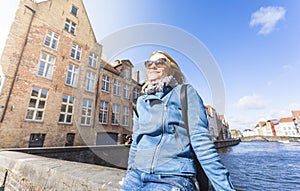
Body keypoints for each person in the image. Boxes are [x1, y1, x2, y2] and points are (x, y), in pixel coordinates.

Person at [120, 51, 235, 191]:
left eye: (160, 62)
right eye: (149, 63)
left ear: (172, 68)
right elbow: (136, 143)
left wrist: (224, 188)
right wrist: (130, 172)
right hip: (136, 176)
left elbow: (201, 142)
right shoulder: (141, 102)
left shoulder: (185, 92)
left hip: (172, 176)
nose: (153, 66)